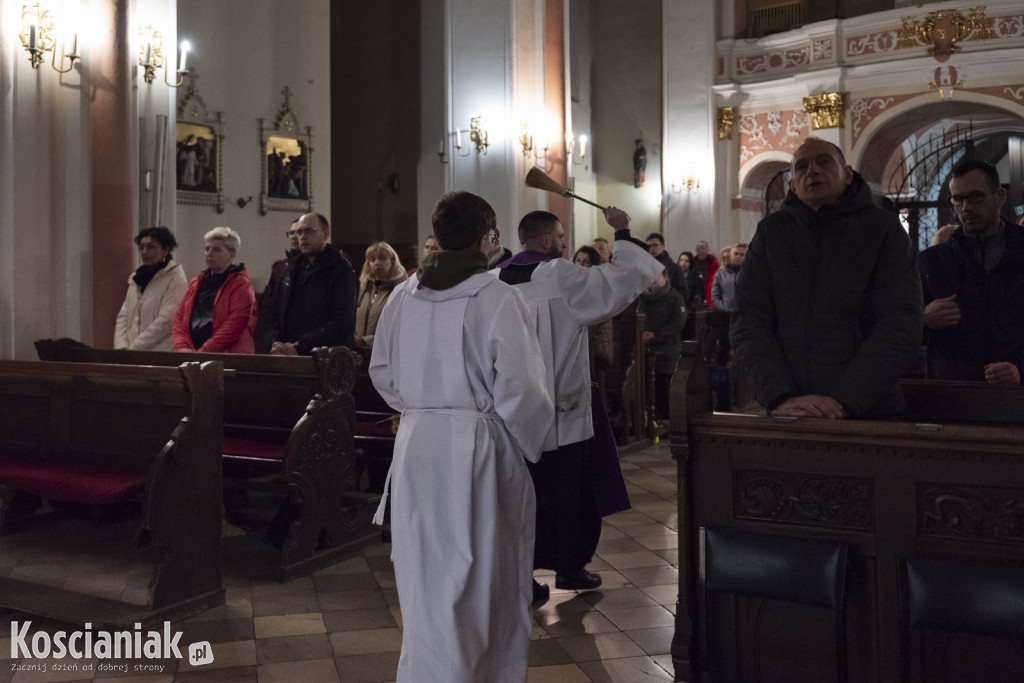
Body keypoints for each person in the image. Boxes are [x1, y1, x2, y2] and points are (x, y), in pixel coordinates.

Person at [369, 191, 553, 683]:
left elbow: (382, 371)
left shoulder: (403, 294)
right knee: (479, 576)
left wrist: (420, 411)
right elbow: (524, 390)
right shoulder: (496, 296)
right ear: (484, 238)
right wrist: (522, 443)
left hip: (416, 444)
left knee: (423, 573)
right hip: (478, 449)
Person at [498, 207, 662, 597]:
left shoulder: (494, 278)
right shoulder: (558, 275)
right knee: (570, 495)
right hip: (562, 413)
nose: (564, 244)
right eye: (560, 236)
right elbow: (621, 281)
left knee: (520, 497)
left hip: (512, 414)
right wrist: (622, 231)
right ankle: (570, 569)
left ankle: (523, 578)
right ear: (544, 241)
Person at [730, 137, 923, 419]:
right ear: (793, 186)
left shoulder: (883, 229)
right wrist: (780, 396)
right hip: (790, 409)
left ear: (846, 175)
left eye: (823, 161)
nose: (813, 170)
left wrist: (845, 400)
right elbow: (748, 318)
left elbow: (901, 323)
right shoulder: (772, 234)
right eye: (801, 166)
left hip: (868, 408)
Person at [918, 159, 1024, 385]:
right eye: (958, 199)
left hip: (1016, 394)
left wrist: (1020, 370)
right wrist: (923, 318)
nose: (966, 207)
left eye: (976, 196)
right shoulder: (932, 261)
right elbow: (895, 326)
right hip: (954, 392)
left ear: (1000, 197)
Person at [258, 213, 358, 354]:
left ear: (325, 233)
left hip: (326, 357)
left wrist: (299, 346)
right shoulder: (290, 269)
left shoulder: (341, 269)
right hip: (285, 353)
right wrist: (274, 342)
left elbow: (341, 321)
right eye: (299, 232)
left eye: (309, 230)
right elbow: (270, 310)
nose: (302, 236)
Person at [172, 227, 258, 353]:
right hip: (193, 354)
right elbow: (179, 319)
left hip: (230, 356)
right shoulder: (196, 283)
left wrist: (203, 352)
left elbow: (234, 325)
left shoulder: (241, 284)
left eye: (216, 249)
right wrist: (182, 347)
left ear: (231, 254)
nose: (209, 253)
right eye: (207, 249)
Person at [114, 227, 188, 351]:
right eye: (141, 247)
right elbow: (124, 316)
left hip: (160, 351)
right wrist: (122, 347)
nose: (144, 251)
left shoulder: (175, 277)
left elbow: (168, 319)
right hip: (131, 353)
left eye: (151, 247)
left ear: (165, 250)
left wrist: (136, 347)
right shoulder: (136, 278)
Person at [639, 269, 686, 422]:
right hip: (643, 350)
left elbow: (676, 324)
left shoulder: (674, 298)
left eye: (656, 276)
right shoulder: (642, 298)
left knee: (663, 386)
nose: (652, 280)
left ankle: (667, 420)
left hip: (666, 351)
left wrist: (655, 335)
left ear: (665, 277)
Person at [254, 217, 302, 352]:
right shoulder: (280, 267)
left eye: (299, 232)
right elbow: (268, 307)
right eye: (291, 233)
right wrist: (273, 340)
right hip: (279, 340)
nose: (294, 237)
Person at [354, 241, 407, 348]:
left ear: (392, 261)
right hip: (358, 352)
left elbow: (398, 329)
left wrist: (366, 341)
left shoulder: (400, 291)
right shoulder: (362, 290)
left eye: (382, 258)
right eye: (372, 259)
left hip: (385, 351)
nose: (377, 263)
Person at [646, 232, 689, 302]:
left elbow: (683, 292)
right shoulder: (643, 266)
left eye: (655, 245)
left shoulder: (674, 268)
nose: (652, 248)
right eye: (649, 246)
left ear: (663, 246)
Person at [710, 242, 747, 312]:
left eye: (742, 255)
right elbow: (715, 298)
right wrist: (726, 309)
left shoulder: (750, 275)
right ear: (730, 256)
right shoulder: (720, 275)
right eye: (735, 254)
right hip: (725, 315)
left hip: (746, 315)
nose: (738, 257)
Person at [691, 240, 719, 309]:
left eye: (703, 247)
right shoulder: (691, 262)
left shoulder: (714, 262)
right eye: (698, 247)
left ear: (708, 249)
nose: (700, 249)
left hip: (709, 291)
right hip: (695, 292)